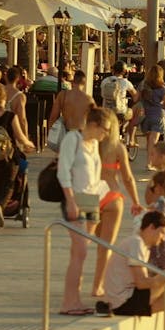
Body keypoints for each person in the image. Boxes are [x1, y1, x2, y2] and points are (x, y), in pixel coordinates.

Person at [57, 107, 110, 316]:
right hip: (75, 199)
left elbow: (95, 175)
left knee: (80, 252)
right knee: (80, 251)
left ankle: (75, 299)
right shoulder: (73, 139)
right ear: (94, 125)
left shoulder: (94, 143)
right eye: (104, 129)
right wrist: (70, 201)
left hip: (91, 199)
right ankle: (69, 302)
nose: (105, 134)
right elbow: (64, 171)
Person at [91, 109, 143, 301]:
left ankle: (87, 283)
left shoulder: (91, 144)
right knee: (106, 245)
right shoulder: (118, 148)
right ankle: (98, 286)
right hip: (112, 196)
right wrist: (136, 201)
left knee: (88, 242)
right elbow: (128, 178)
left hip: (90, 196)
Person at [0, 85, 36, 226]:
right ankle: (1, 205)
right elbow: (20, 137)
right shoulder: (11, 116)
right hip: (9, 158)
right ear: (5, 100)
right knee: (10, 183)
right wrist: (29, 143)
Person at [139, 65, 165, 168]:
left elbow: (137, 98)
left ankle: (149, 161)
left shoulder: (143, 85)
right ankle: (150, 162)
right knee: (154, 142)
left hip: (145, 116)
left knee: (149, 141)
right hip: (157, 115)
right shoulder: (162, 88)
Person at [99, 61, 138, 137]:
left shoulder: (105, 81)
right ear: (124, 71)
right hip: (120, 112)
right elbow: (135, 96)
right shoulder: (125, 82)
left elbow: (102, 94)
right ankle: (126, 132)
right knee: (133, 113)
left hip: (106, 111)